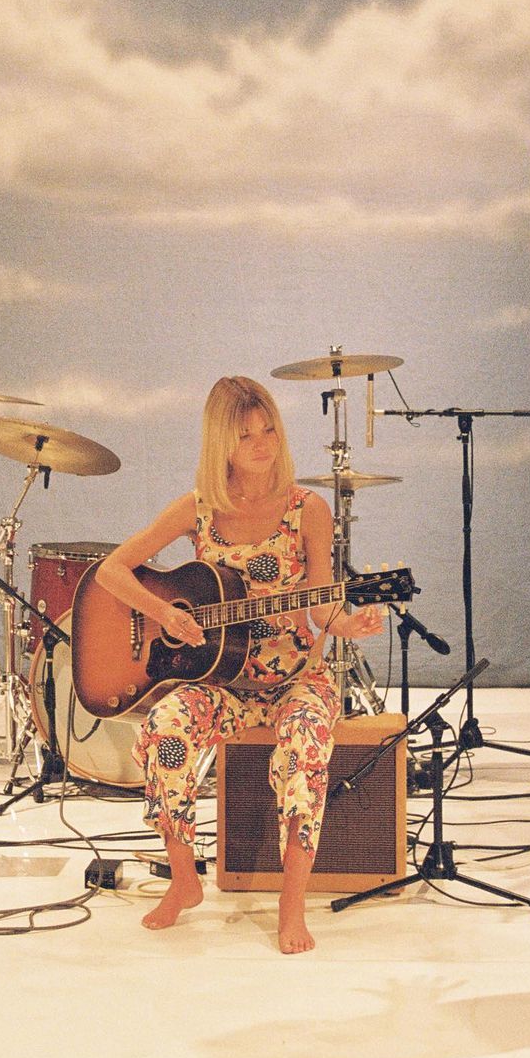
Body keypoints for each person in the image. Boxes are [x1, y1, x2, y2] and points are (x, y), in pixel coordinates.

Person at [94, 375, 383, 953]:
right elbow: (111, 570)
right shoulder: (197, 509)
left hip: (296, 679)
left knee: (304, 750)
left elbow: (321, 605)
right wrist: (164, 613)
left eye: (269, 429)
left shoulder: (307, 509)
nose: (261, 443)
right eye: (245, 434)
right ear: (220, 443)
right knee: (164, 728)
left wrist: (346, 623)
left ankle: (291, 904)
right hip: (221, 681)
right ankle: (184, 879)